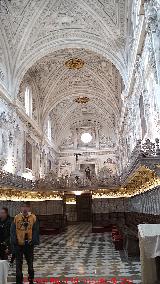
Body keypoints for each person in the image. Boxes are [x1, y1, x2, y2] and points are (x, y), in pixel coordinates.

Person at [10, 201, 39, 284]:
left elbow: (36, 230)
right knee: (18, 263)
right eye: (23, 207)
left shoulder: (33, 217)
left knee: (30, 263)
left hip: (29, 244)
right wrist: (14, 242)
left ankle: (31, 279)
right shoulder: (17, 217)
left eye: (26, 207)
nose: (24, 208)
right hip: (19, 244)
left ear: (29, 208)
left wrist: (33, 241)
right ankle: (19, 281)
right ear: (20, 208)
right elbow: (12, 231)